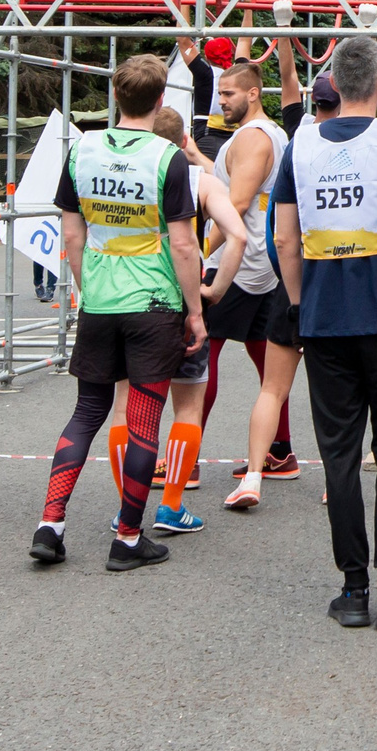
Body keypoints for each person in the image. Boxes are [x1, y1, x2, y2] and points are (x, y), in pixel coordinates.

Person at [272, 34, 377, 631]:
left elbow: (285, 239)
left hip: (324, 319)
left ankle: (351, 588)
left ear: (336, 86)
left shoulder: (300, 146)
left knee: (338, 453)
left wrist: (297, 305)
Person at [28, 57, 206, 570]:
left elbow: (71, 234)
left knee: (87, 412)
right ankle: (127, 537)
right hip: (153, 302)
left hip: (100, 299)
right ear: (159, 102)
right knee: (145, 420)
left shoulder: (82, 149)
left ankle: (51, 522)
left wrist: (88, 290)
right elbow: (183, 244)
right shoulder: (168, 158)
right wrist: (195, 312)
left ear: (115, 96)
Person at [141, 105, 252, 538]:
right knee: (186, 405)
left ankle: (127, 507)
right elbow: (238, 233)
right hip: (185, 295)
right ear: (185, 141)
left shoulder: (130, 171)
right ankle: (171, 502)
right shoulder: (198, 180)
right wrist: (214, 289)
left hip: (130, 295)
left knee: (130, 406)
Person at [227, 40, 324, 509]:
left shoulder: (297, 135)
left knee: (271, 382)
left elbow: (287, 78)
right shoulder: (370, 143)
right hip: (327, 273)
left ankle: (254, 476)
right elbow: (287, 77)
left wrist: (284, 32)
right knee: (338, 384)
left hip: (288, 272)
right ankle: (327, 474)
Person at [200, 51, 299, 507]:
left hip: (238, 264)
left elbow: (235, 204)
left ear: (253, 94)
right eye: (220, 93)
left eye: (228, 93)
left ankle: (186, 456)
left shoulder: (256, 137)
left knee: (203, 354)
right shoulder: (268, 133)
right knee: (267, 361)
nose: (221, 101)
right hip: (259, 263)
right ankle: (280, 450)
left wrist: (200, 254)